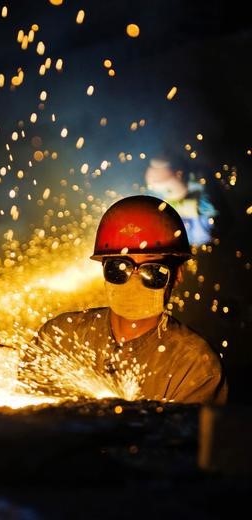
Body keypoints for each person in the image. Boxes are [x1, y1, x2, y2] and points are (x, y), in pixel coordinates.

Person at [19, 195, 227, 404]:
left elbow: (186, 434)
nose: (134, 281)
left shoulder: (194, 366)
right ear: (103, 270)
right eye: (119, 268)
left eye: (152, 271)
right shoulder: (62, 336)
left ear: (177, 275)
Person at [144, 156, 218, 247]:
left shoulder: (198, 188)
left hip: (202, 242)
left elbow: (210, 209)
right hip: (177, 244)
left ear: (179, 174)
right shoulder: (155, 195)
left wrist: (181, 207)